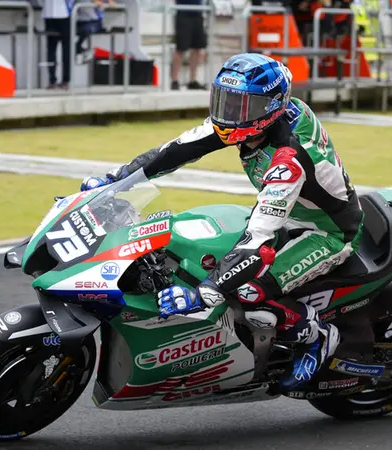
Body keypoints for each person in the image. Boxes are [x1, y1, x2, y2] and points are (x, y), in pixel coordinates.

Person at [81, 53, 364, 390]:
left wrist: (206, 293)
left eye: (240, 106)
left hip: (326, 232)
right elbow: (175, 151)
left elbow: (257, 241)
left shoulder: (288, 159)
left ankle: (317, 336)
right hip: (286, 211)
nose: (228, 113)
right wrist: (114, 180)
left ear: (270, 108)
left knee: (247, 292)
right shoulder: (255, 120)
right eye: (225, 100)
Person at [172, 0, 208, 90]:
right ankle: (174, 80)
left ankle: (192, 80)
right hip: (183, 13)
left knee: (197, 48)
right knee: (180, 48)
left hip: (197, 13)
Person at [42, 0, 75, 89]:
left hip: (54, 13)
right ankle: (61, 81)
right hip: (60, 13)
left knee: (54, 49)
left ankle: (56, 81)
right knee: (60, 49)